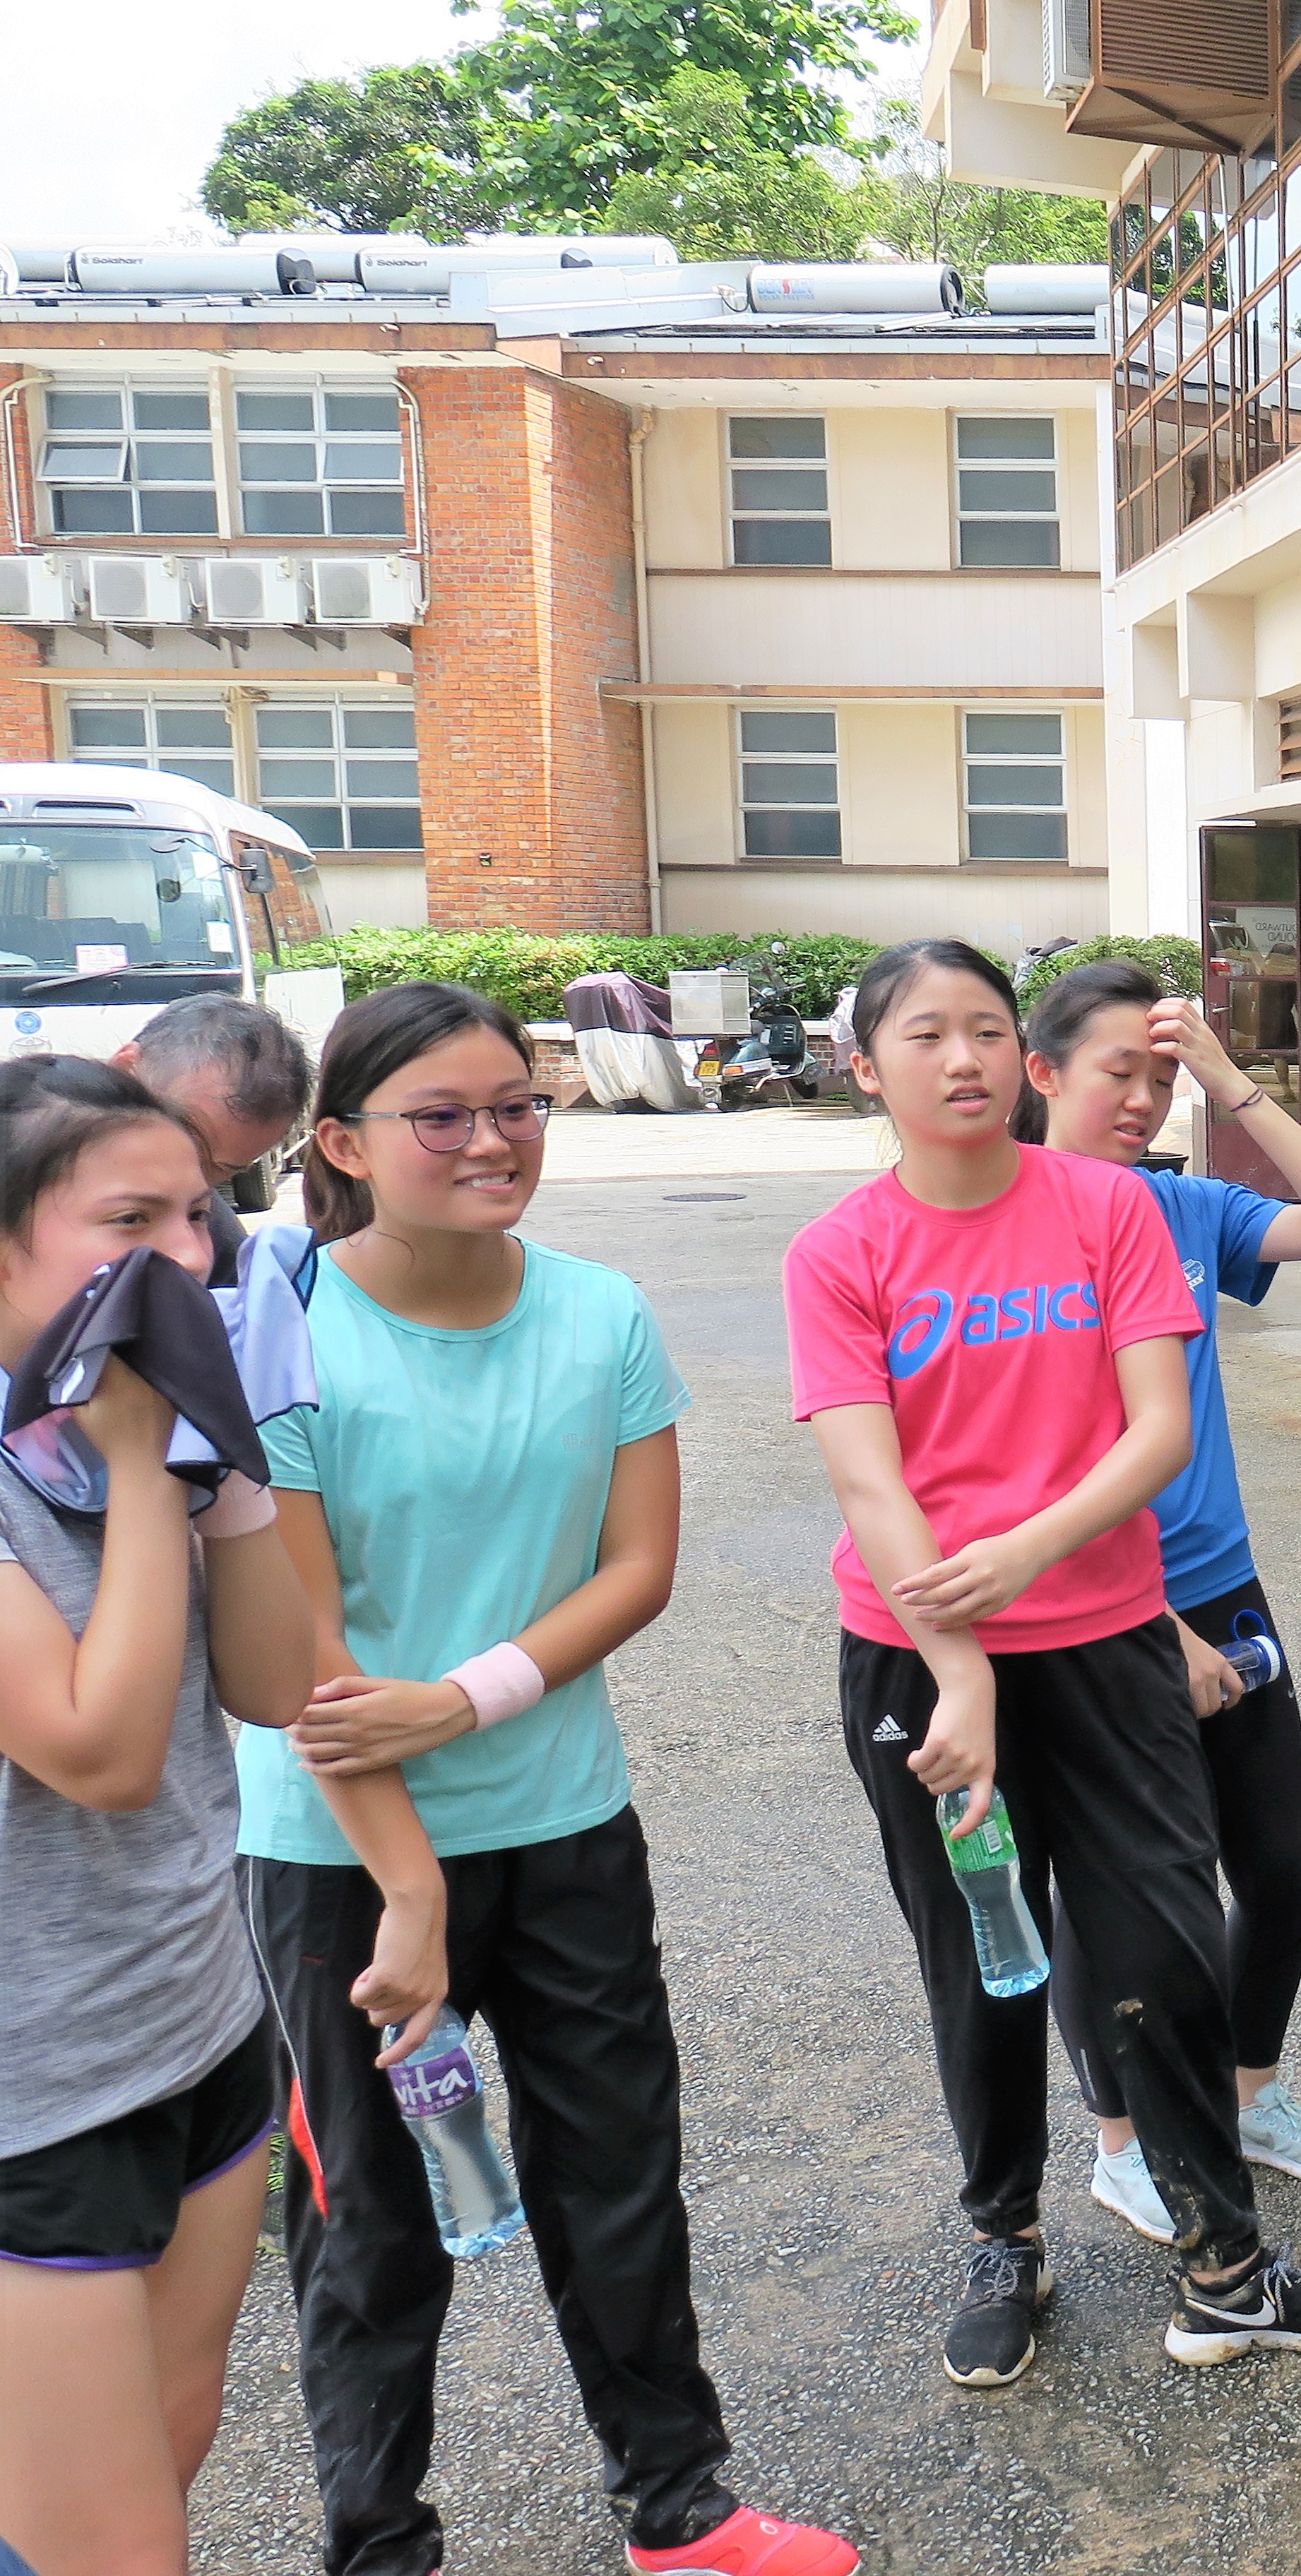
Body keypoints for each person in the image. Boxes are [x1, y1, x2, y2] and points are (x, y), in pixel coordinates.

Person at [238, 983, 854, 2576]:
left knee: (617, 2169)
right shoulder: (282, 1329)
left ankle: (679, 2504)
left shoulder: (598, 1313)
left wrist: (465, 1696)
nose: (490, 1138)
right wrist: (411, 1890)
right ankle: (379, 2543)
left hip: (563, 1816)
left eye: (515, 1104)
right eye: (439, 1114)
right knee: (372, 2215)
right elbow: (304, 1656)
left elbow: (637, 1566)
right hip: (341, 1856)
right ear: (342, 1144)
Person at [792, 939, 1301, 2387]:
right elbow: (871, 1484)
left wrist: (1025, 1555)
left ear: (1022, 1057)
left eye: (986, 1028)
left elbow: (1158, 1430)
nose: (963, 1058)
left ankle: (1228, 2269)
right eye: (925, 1034)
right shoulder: (840, 1252)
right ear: (865, 1067)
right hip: (920, 1661)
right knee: (983, 1959)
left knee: (1164, 1950)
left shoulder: (1110, 1208)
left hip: (1109, 1638)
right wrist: (961, 1663)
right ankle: (1005, 2238)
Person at [0, 1056, 311, 2576]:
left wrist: (219, 1457)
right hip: (32, 2093)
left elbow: (274, 1681)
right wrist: (142, 1463)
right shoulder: (92, 1452)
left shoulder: (127, 1425)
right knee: (112, 2549)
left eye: (200, 1215)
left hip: (196, 2022)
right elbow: (101, 1753)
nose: (186, 1257)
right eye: (132, 1221)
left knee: (166, 2447)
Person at [1014, 962, 1301, 2238]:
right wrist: (1154, 1626)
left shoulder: (1182, 1208)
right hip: (1088, 1606)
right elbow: (1034, 1462)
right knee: (1113, 1896)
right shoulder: (1016, 1228)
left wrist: (1233, 1084)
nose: (1141, 1097)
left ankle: (1245, 2093)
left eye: (1160, 1076)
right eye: (1117, 1071)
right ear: (1043, 1071)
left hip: (1222, 1579)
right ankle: (1121, 2142)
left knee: (1282, 1867)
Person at [112, 990, 311, 1188]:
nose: (184, 1183)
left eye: (218, 1170)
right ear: (124, 1070)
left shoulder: (201, 1208)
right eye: (182, 1143)